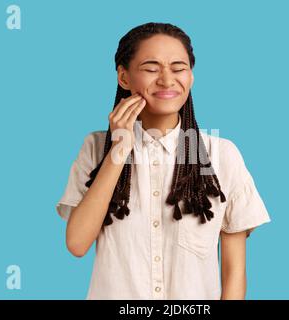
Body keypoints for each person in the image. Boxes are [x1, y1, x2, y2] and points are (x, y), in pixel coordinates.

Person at [56, 22, 271, 300]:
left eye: (178, 68)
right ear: (124, 77)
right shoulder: (96, 148)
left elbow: (234, 276)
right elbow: (77, 243)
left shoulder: (222, 155)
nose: (167, 80)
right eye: (151, 68)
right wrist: (118, 152)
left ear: (191, 77)